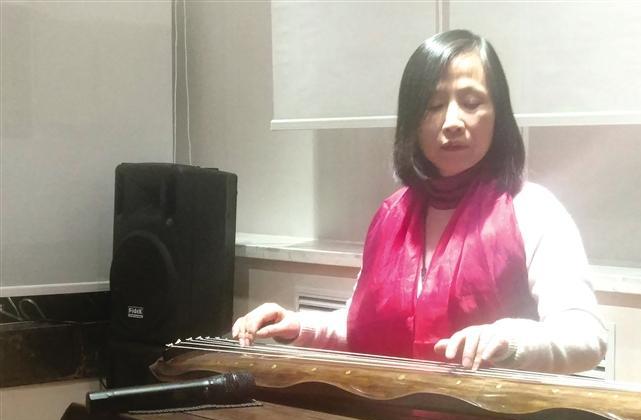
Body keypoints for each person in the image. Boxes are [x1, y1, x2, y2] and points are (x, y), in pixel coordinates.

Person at [233, 29, 607, 375]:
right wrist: (298, 325)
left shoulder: (533, 209)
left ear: (499, 115)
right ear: (412, 122)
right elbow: (365, 327)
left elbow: (585, 336)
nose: (452, 121)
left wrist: (508, 341)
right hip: (391, 415)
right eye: (433, 106)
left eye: (471, 102)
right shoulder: (391, 215)